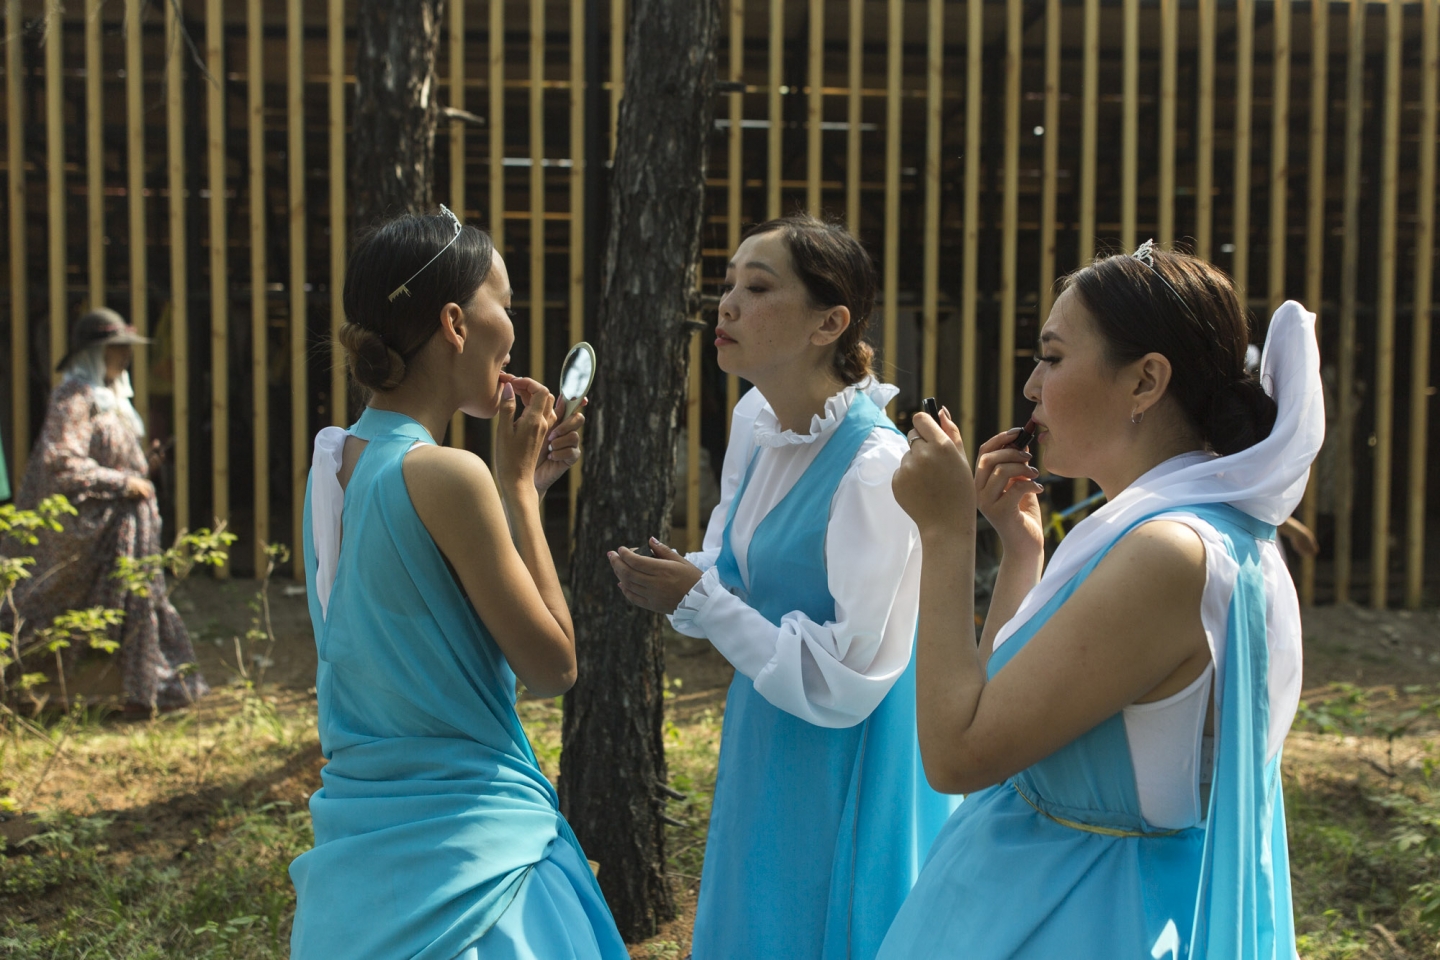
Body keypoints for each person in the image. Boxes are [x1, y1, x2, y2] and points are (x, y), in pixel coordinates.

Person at [877, 245, 1321, 959]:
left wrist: (945, 534)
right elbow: (996, 708)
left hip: (1086, 911)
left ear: (1145, 380)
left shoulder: (1167, 553)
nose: (1031, 386)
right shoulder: (1182, 526)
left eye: (1051, 357)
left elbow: (958, 756)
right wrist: (1020, 553)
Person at [609, 214, 957, 960]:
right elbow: (737, 567)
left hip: (848, 750)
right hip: (768, 718)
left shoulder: (874, 467)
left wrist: (700, 601)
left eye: (758, 288)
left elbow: (851, 672)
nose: (727, 304)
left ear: (829, 323)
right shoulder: (757, 424)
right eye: (728, 283)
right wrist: (684, 578)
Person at [289, 207, 627, 960]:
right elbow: (554, 666)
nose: (512, 330)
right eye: (503, 303)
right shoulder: (451, 474)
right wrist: (520, 492)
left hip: (361, 852)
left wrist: (513, 489)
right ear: (454, 322)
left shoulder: (333, 465)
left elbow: (409, 605)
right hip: (473, 851)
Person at [5, 307, 206, 712]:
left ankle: (132, 693)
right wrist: (122, 483)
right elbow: (61, 460)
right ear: (95, 353)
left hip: (119, 530)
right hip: (84, 532)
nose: (126, 356)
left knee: (134, 605)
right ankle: (45, 695)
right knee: (67, 611)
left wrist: (144, 467)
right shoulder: (74, 396)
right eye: (118, 348)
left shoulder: (110, 398)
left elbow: (114, 460)